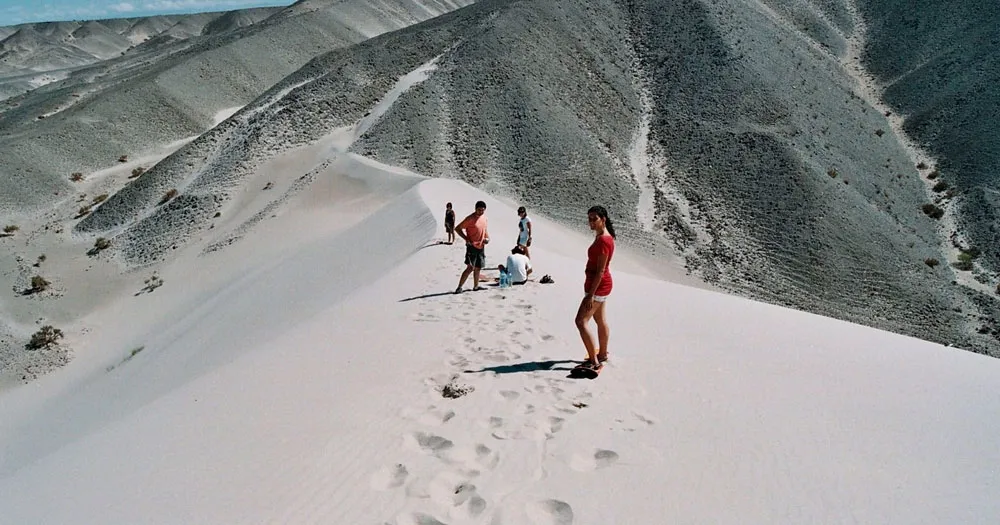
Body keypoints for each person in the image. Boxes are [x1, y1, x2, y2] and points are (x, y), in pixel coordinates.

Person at [575, 205, 616, 370]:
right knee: (600, 320)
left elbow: (600, 271)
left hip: (598, 287)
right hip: (599, 285)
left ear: (603, 219)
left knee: (580, 321)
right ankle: (603, 353)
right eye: (589, 218)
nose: (591, 222)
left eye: (594, 219)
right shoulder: (602, 237)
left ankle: (594, 361)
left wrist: (589, 295)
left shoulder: (604, 240)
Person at [455, 200, 490, 293]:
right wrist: (466, 238)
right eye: (479, 210)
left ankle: (476, 286)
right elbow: (457, 228)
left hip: (481, 247)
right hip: (472, 247)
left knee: (478, 267)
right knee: (470, 268)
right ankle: (459, 287)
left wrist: (487, 238)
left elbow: (485, 230)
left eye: (482, 210)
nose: (481, 212)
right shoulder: (470, 219)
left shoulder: (484, 218)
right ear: (475, 209)